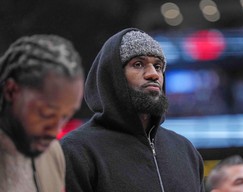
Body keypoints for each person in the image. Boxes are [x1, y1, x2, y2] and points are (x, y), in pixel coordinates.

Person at [60, 27, 205, 192]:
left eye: (158, 66)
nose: (153, 74)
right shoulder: (77, 150)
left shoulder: (185, 151)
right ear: (114, 77)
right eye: (138, 64)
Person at [0, 34, 84, 192]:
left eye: (66, 116)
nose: (55, 130)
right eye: (46, 114)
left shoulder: (52, 153)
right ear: (11, 91)